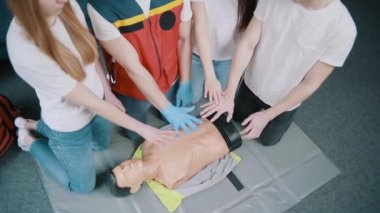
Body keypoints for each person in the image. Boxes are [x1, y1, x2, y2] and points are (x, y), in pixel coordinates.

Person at [6, 0, 176, 194]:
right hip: (68, 125)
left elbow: (89, 52)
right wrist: (145, 130)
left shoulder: (67, 6)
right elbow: (91, 102)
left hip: (98, 101)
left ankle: (33, 124)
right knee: (82, 187)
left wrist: (108, 92)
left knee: (100, 144)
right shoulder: (25, 50)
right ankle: (29, 140)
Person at [201, 0, 357, 146]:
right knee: (237, 118)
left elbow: (310, 84)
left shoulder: (343, 29)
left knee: (268, 141)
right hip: (251, 82)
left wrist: (267, 115)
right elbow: (247, 44)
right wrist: (229, 93)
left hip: (284, 100)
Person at [87, 0, 202, 141]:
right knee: (137, 132)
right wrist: (168, 109)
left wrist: (185, 81)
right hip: (132, 89)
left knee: (171, 119)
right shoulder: (101, 7)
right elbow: (132, 67)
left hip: (170, 77)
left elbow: (183, 39)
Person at [106, 114, 242, 196]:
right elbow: (206, 174)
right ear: (135, 188)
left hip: (213, 117)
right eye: (126, 174)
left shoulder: (148, 144)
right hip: (229, 139)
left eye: (121, 166)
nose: (127, 166)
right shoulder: (171, 181)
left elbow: (178, 126)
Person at [190, 0, 257, 104]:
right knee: (193, 96)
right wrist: (210, 76)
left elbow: (248, 40)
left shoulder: (253, 3)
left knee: (217, 99)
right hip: (197, 52)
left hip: (228, 58)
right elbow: (201, 29)